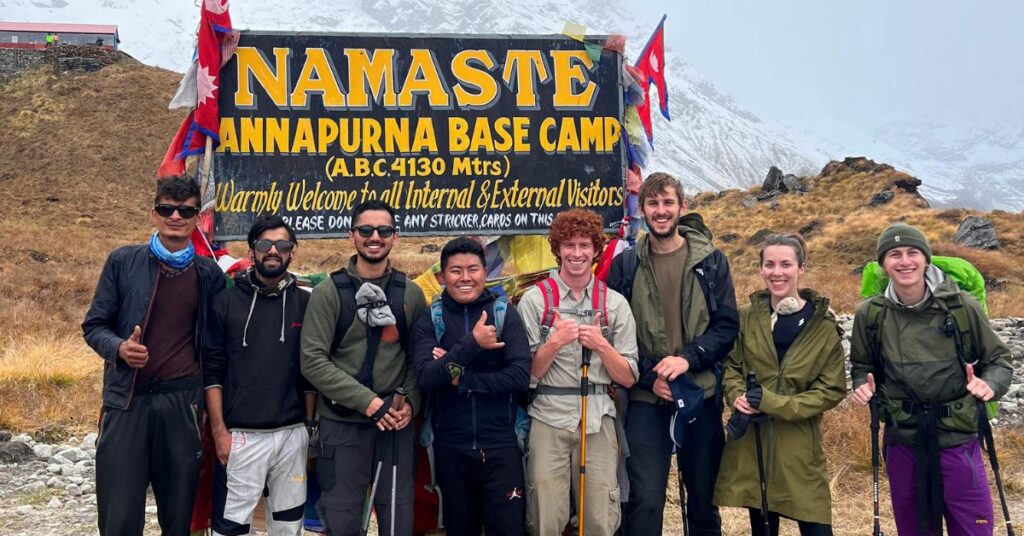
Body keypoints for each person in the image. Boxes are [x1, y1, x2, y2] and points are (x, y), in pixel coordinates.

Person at [82, 176, 226, 536]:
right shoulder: (122, 261)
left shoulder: (208, 273)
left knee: (179, 516)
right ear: (154, 213)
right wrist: (118, 349)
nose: (175, 216)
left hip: (182, 405)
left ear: (196, 216)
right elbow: (94, 325)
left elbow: (214, 346)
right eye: (166, 209)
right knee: (120, 515)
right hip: (126, 403)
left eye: (185, 210)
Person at [850, 223, 1013, 536]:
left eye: (913, 252)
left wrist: (989, 385)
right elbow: (862, 364)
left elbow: (999, 361)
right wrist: (862, 385)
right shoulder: (870, 314)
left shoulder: (962, 306)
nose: (904, 261)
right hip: (903, 439)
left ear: (926, 259)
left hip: (957, 438)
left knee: (972, 529)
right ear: (883, 264)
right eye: (894, 254)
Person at [607, 172, 738, 536]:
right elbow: (617, 333)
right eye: (653, 203)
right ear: (642, 209)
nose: (661, 211)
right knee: (644, 501)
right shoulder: (626, 265)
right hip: (647, 398)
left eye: (668, 203)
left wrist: (689, 359)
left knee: (702, 500)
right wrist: (651, 377)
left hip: (701, 393)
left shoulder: (712, 262)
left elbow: (727, 326)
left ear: (683, 206)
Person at [300, 200, 427, 536]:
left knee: (398, 521)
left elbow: (419, 358)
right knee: (342, 521)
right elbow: (312, 361)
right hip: (342, 425)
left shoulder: (410, 295)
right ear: (351, 235)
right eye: (366, 230)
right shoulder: (328, 294)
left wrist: (410, 403)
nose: (375, 236)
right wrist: (368, 403)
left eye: (383, 230)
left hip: (394, 428)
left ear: (394, 237)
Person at [713, 234, 846, 535]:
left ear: (801, 268)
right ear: (760, 269)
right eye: (769, 264)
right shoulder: (746, 319)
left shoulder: (823, 327)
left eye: (786, 264)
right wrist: (736, 396)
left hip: (800, 449)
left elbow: (831, 389)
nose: (777, 272)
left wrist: (773, 403)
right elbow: (732, 367)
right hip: (753, 445)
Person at [517, 208, 639, 536]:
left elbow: (628, 376)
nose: (577, 253)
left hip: (599, 418)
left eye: (585, 245)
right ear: (557, 249)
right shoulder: (534, 301)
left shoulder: (614, 304)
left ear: (596, 250)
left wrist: (601, 345)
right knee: (545, 516)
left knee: (599, 518)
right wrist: (554, 343)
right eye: (569, 245)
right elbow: (525, 375)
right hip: (547, 417)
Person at [411, 237, 531, 536]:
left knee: (507, 529)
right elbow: (426, 377)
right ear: (443, 274)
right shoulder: (431, 319)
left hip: (501, 444)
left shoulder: (505, 314)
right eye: (456, 270)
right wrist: (472, 345)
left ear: (485, 271)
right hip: (452, 446)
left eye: (473, 269)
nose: (465, 277)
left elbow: (518, 377)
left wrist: (459, 377)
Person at [204, 215, 316, 536]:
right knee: (231, 529)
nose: (273, 251)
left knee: (288, 526)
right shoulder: (224, 302)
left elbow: (312, 369)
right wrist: (219, 432)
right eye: (265, 244)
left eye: (282, 245)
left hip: (292, 433)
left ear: (291, 252)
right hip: (240, 436)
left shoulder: (307, 302)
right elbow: (211, 371)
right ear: (252, 251)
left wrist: (308, 426)